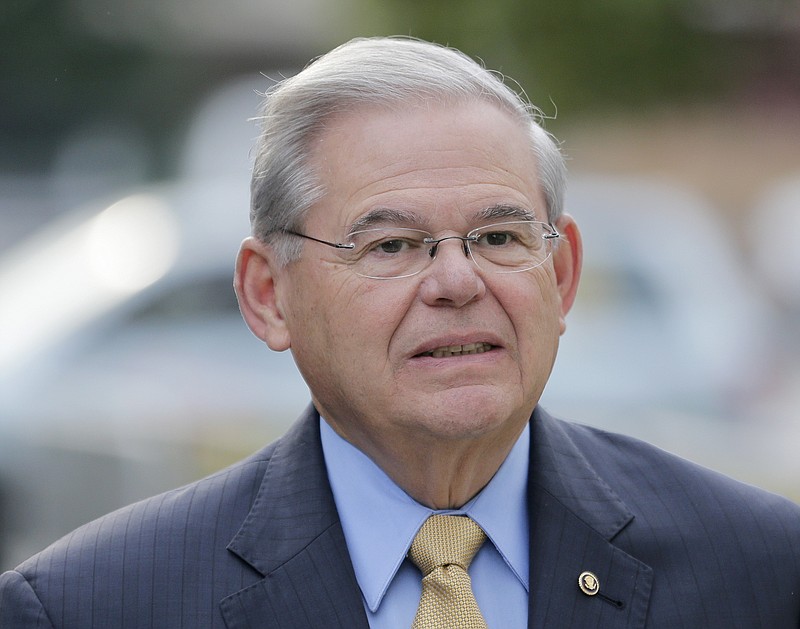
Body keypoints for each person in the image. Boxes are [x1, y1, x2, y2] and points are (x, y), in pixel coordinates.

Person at [1, 36, 798, 629]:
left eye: (498, 238)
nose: (457, 282)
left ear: (560, 277)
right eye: (391, 245)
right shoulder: (94, 605)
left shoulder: (762, 570)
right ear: (268, 294)